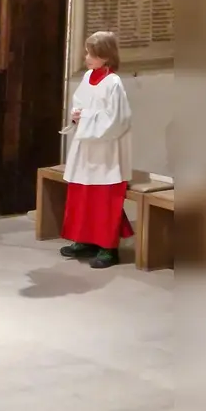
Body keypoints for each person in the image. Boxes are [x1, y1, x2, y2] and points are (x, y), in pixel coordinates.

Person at [60, 31, 133, 269]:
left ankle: (107, 248)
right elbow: (80, 103)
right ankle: (85, 239)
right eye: (87, 53)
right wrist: (77, 114)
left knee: (103, 200)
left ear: (106, 56)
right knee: (82, 194)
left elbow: (117, 119)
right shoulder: (88, 76)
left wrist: (86, 117)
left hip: (106, 151)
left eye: (92, 54)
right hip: (86, 148)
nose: (87, 58)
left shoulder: (113, 83)